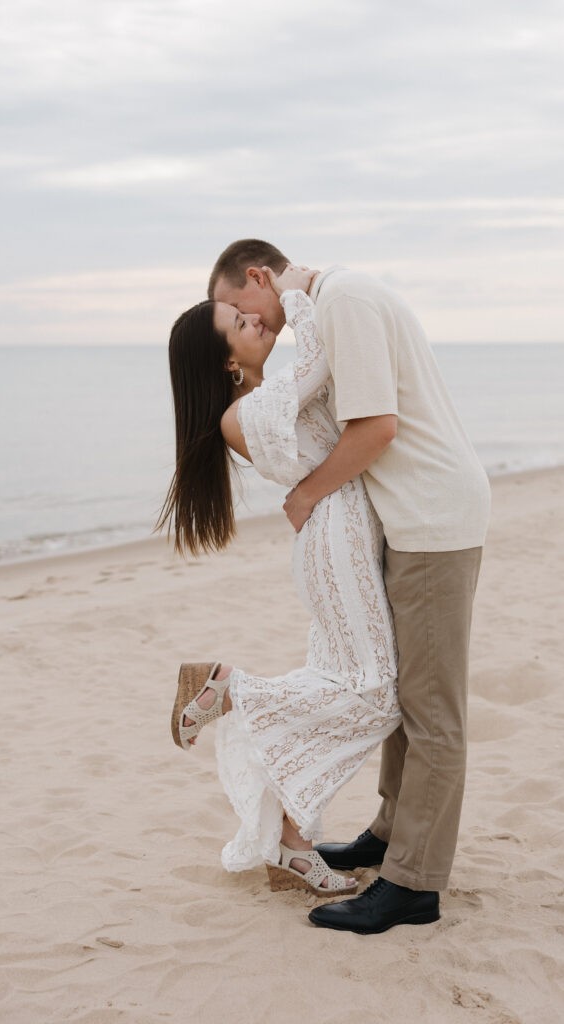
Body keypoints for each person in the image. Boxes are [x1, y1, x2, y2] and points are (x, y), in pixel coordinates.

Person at [210, 240, 491, 934]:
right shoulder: (328, 308)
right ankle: (392, 835)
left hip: (430, 518)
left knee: (432, 711)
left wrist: (306, 494)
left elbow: (377, 427)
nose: (250, 325)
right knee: (404, 689)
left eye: (239, 308)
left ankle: (413, 885)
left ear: (258, 276)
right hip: (410, 516)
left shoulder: (345, 302)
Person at [158, 265, 403, 901]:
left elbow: (322, 375)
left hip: (342, 534)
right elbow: (319, 357)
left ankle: (295, 845)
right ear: (225, 363)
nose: (257, 320)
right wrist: (298, 289)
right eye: (240, 324)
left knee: (340, 680)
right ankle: (229, 687)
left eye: (248, 313)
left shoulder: (268, 397)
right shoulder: (245, 413)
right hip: (334, 541)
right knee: (376, 692)